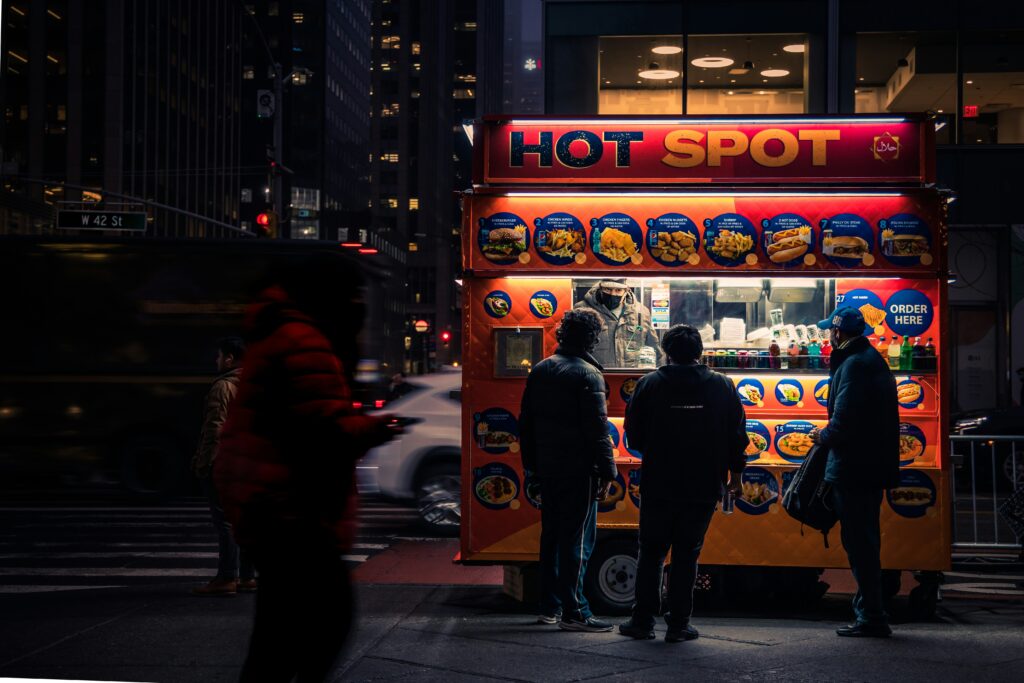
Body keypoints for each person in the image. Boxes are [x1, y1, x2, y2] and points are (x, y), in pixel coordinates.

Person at [214, 254, 399, 682]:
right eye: (352, 295)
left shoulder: (284, 332)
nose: (358, 305)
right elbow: (322, 428)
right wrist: (377, 429)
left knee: (278, 631)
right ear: (330, 296)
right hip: (289, 507)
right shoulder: (304, 340)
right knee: (325, 618)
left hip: (270, 502)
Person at [617, 324, 748, 643]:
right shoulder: (723, 385)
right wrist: (737, 477)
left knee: (650, 552)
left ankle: (643, 621)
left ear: (666, 351)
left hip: (659, 482)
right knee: (688, 554)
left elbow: (633, 437)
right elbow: (737, 436)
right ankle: (678, 625)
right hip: (704, 484)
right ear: (700, 352)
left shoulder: (648, 385)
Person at [519, 309, 617, 633]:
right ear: (591, 338)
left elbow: (526, 424)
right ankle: (576, 612)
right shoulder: (589, 375)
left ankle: (550, 607)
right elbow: (598, 431)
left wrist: (531, 466)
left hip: (548, 468)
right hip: (579, 470)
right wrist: (608, 472)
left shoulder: (541, 369)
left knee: (551, 539)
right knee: (577, 542)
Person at [809, 306, 900, 638]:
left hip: (856, 467)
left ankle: (872, 617)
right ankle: (870, 612)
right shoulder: (867, 360)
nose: (827, 337)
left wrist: (822, 436)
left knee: (860, 543)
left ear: (837, 333)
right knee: (864, 541)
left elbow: (846, 420)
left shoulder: (856, 366)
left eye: (829, 332)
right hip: (868, 465)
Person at [190, 336, 256, 596]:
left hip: (225, 463)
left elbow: (214, 428)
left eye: (219, 356)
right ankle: (247, 577)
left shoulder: (223, 387)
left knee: (225, 521)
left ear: (229, 358)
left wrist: (204, 462)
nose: (216, 361)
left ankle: (227, 577)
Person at [574, 279, 663, 369]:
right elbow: (573, 348)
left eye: (618, 290)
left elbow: (654, 348)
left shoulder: (641, 312)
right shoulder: (583, 309)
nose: (613, 294)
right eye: (608, 289)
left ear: (626, 291)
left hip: (633, 378)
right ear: (600, 288)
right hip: (596, 375)